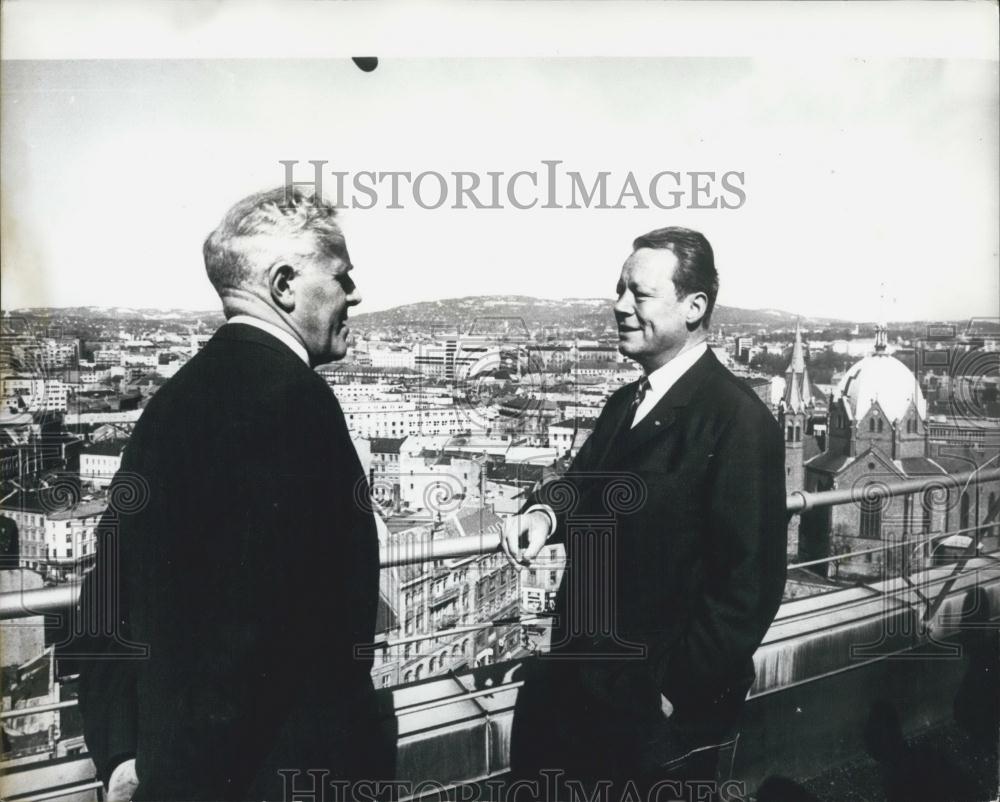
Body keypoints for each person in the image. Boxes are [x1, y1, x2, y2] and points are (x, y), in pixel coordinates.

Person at [70, 187, 387, 801]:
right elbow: (263, 636)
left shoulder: (172, 400)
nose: (355, 294)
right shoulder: (298, 403)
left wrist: (121, 755)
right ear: (285, 284)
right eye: (342, 276)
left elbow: (107, 589)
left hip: (162, 767)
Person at [502, 227, 787, 794]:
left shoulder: (736, 420)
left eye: (639, 294)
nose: (619, 306)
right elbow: (581, 483)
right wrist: (543, 514)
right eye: (618, 290)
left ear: (694, 306)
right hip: (592, 694)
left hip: (661, 722)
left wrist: (671, 692)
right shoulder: (626, 401)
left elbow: (748, 587)